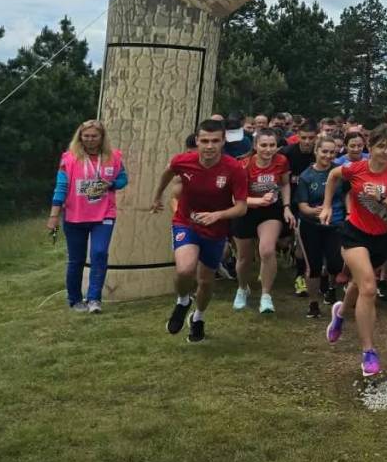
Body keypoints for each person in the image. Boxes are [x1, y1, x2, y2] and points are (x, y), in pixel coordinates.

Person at [321, 125, 387, 377]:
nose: (386, 151)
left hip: (382, 237)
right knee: (370, 288)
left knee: (359, 285)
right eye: (381, 146)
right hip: (354, 233)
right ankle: (368, 352)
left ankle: (340, 313)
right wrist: (327, 206)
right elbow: (333, 175)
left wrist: (383, 198)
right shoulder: (356, 168)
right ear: (369, 147)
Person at [150, 119, 248, 343]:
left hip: (216, 230)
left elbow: (242, 207)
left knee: (205, 281)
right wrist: (157, 197)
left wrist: (218, 215)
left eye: (215, 141)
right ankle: (183, 301)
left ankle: (198, 317)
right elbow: (167, 173)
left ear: (223, 141)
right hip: (186, 222)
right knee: (185, 270)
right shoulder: (183, 161)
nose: (210, 146)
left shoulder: (234, 168)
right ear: (197, 141)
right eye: (205, 141)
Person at [47, 119, 128, 313]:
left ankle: (94, 299)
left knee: (99, 253)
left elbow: (123, 178)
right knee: (76, 259)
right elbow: (61, 187)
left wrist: (112, 184)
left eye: (94, 136)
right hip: (75, 215)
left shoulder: (114, 157)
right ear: (80, 137)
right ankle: (75, 299)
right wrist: (54, 215)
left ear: (102, 137)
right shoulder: (69, 158)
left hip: (104, 213)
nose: (90, 140)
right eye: (86, 136)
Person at [234, 129, 294, 314]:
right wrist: (258, 201)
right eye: (264, 145)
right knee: (244, 258)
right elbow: (235, 198)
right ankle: (242, 288)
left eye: (272, 145)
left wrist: (286, 206)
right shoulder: (243, 165)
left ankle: (266, 295)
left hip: (270, 212)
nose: (268, 150)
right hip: (245, 211)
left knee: (267, 250)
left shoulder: (281, 161)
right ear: (255, 146)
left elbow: (284, 183)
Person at [295, 135, 347, 318]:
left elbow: (346, 195)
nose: (328, 155)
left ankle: (331, 288)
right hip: (311, 225)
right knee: (314, 266)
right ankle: (313, 303)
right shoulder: (306, 176)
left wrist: (347, 213)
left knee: (335, 263)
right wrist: (316, 211)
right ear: (316, 151)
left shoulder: (340, 172)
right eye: (324, 151)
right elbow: (302, 206)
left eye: (332, 152)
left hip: (336, 223)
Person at [283, 121, 319, 296]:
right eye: (303, 138)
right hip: (288, 200)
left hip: (310, 203)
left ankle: (300, 276)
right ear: (297, 136)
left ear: (316, 137)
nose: (307, 141)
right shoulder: (287, 153)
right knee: (283, 240)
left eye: (311, 138)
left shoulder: (319, 153)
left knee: (302, 239)